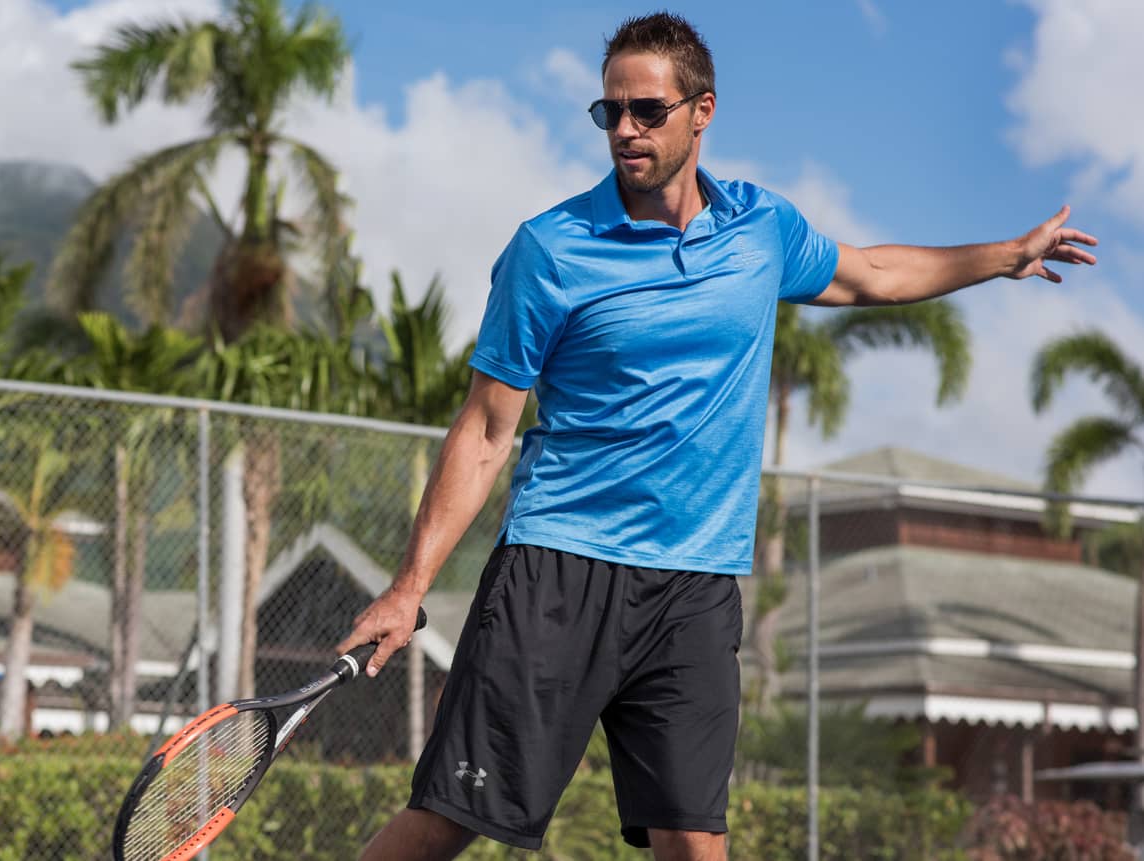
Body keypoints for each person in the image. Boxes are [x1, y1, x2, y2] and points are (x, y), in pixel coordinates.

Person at [336, 11, 1099, 861]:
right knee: (453, 815)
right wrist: (410, 586)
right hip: (560, 565)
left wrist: (1005, 255)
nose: (625, 129)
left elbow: (872, 273)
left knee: (696, 840)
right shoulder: (549, 251)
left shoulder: (760, 230)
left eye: (646, 111)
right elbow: (484, 429)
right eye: (610, 112)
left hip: (697, 585)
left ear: (702, 111)